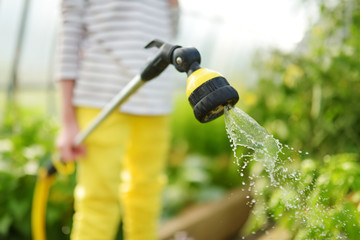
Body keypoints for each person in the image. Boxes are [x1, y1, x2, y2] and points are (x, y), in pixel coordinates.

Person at [55, 0, 179, 239]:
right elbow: (69, 34)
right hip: (101, 96)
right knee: (98, 200)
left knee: (147, 195)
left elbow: (170, 32)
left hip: (156, 99)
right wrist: (67, 121)